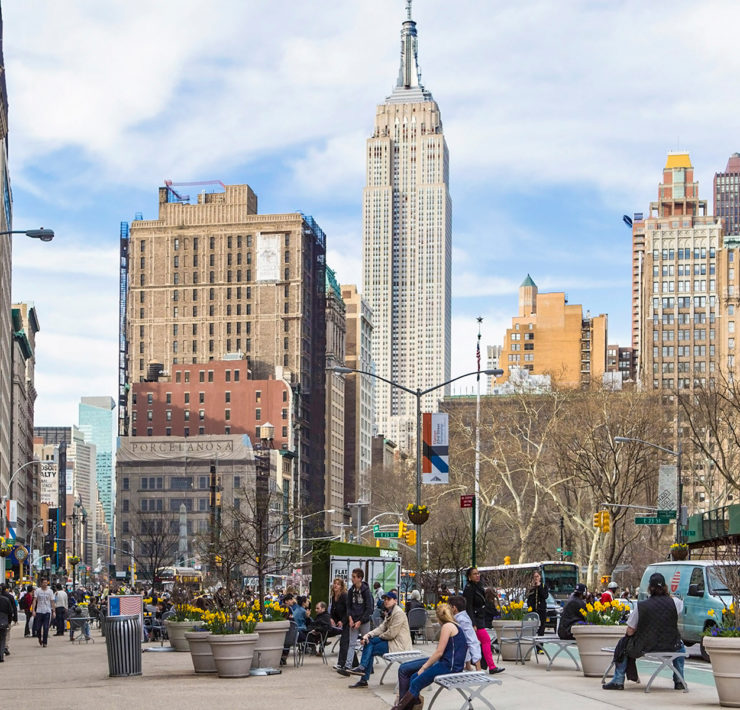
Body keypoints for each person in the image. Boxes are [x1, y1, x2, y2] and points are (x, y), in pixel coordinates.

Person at [602, 572, 686, 691]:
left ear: (650, 588)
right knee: (681, 647)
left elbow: (630, 631)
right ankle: (679, 680)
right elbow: (677, 606)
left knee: (623, 644)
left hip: (646, 646)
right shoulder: (675, 603)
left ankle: (618, 680)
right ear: (665, 587)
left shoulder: (641, 606)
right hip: (671, 644)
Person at [393, 603, 469, 710]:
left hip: (449, 667)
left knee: (415, 683)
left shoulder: (447, 627)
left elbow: (439, 652)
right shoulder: (455, 625)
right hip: (448, 664)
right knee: (414, 677)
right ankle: (413, 703)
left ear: (438, 618)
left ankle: (399, 708)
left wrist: (423, 668)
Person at [348, 592, 412, 688]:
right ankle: (362, 672)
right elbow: (381, 628)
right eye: (385, 599)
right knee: (369, 643)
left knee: (370, 644)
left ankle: (363, 674)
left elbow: (391, 634)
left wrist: (372, 637)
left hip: (399, 646)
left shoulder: (398, 613)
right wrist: (368, 635)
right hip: (392, 642)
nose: (386, 601)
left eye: (388, 599)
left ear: (395, 601)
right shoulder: (390, 612)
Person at [462, 567, 503, 673]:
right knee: (484, 640)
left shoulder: (478, 587)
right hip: (475, 619)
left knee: (472, 643)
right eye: (475, 574)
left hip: (479, 618)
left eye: (478, 573)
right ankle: (491, 666)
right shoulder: (469, 589)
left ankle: (472, 665)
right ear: (469, 577)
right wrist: (473, 623)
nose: (477, 575)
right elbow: (469, 607)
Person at [337, 568, 374, 676]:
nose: (352, 579)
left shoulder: (366, 591)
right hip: (353, 620)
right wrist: (350, 618)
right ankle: (348, 666)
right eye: (352, 576)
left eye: (354, 577)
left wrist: (361, 620)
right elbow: (348, 606)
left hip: (364, 621)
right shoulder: (351, 591)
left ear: (360, 578)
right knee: (351, 643)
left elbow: (369, 608)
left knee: (366, 643)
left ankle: (367, 666)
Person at [449, 595, 483, 670]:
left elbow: (472, 640)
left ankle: (471, 666)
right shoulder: (461, 617)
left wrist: (478, 668)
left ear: (454, 608)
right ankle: (468, 666)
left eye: (449, 607)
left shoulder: (462, 619)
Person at [329, 578, 349, 670]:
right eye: (334, 583)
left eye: (338, 584)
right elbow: (333, 609)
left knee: (344, 642)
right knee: (346, 643)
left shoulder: (344, 596)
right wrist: (332, 618)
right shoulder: (333, 597)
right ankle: (355, 663)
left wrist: (343, 621)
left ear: (341, 586)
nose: (335, 585)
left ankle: (341, 663)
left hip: (348, 622)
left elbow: (348, 610)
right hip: (340, 622)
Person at [32, 578, 56, 647]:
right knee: (38, 628)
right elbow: (34, 600)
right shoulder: (37, 591)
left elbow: (52, 601)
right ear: (41, 583)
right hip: (39, 611)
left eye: (46, 583)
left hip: (47, 611)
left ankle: (45, 642)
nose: (45, 584)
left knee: (46, 627)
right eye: (44, 583)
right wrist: (33, 610)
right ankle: (39, 638)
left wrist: (53, 611)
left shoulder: (50, 591)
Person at [526, 570, 549, 637]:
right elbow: (528, 597)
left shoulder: (544, 586)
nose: (536, 578)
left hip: (541, 611)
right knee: (532, 630)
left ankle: (540, 646)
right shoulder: (530, 586)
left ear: (540, 577)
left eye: (537, 576)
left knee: (541, 630)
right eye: (534, 577)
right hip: (532, 611)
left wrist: (539, 587)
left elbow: (545, 596)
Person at [0, 584, 17, 656]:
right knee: (6, 634)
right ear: (6, 589)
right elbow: (13, 609)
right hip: (6, 620)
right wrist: (14, 618)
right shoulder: (9, 597)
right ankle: (5, 647)